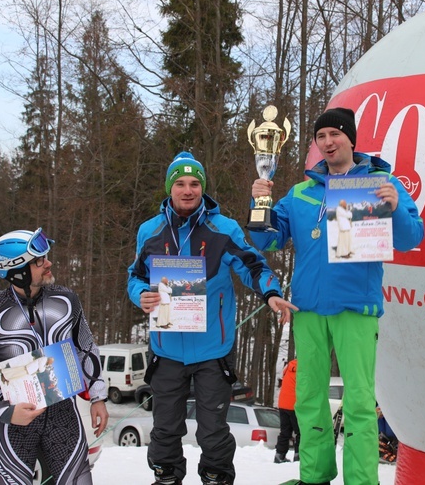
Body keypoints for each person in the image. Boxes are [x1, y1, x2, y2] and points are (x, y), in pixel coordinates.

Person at [250, 107, 424, 485]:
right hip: (308, 308)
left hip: (355, 308)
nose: (328, 142)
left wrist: (393, 208)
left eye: (335, 134)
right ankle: (315, 475)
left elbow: (412, 239)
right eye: (321, 137)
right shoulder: (302, 192)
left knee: (360, 402)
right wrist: (259, 202)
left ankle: (362, 481)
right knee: (309, 400)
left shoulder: (381, 182)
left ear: (351, 138)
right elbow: (267, 239)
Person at [127, 151, 297, 485]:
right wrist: (139, 295)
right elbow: (134, 275)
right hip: (166, 351)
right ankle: (165, 478)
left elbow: (254, 266)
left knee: (214, 430)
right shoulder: (150, 231)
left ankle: (217, 478)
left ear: (202, 188)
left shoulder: (223, 229)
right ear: (169, 188)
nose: (187, 190)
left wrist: (271, 293)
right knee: (164, 429)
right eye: (180, 183)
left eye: (194, 183)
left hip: (212, 351)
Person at [0, 227, 109, 485]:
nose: (49, 263)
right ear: (18, 271)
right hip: (13, 423)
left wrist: (98, 397)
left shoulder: (66, 300)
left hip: (63, 416)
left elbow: (86, 347)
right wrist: (2, 411)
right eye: (39, 261)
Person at [275, 358, 300, 464]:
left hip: (283, 403)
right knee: (300, 432)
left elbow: (281, 379)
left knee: (285, 432)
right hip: (295, 404)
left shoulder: (289, 366)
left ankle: (279, 455)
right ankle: (298, 456)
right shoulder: (304, 367)